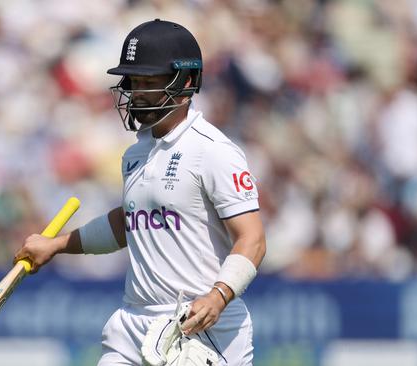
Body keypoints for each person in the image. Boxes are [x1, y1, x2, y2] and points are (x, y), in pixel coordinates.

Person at [15, 19, 266, 366]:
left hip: (202, 326)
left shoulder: (214, 151)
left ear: (186, 82)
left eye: (150, 82)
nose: (138, 93)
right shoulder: (136, 152)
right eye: (134, 83)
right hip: (133, 322)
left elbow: (252, 239)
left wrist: (218, 297)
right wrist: (56, 245)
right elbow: (129, 221)